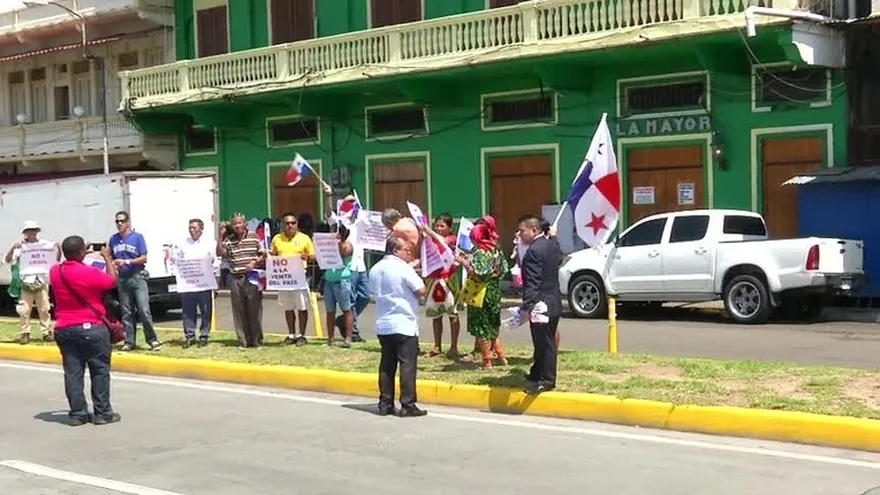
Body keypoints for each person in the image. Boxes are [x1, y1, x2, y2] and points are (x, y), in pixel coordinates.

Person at [50, 235, 121, 426]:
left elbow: (67, 262)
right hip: (91, 327)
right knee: (99, 370)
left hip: (64, 328)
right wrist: (106, 257)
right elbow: (111, 281)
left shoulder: (55, 271)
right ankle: (102, 412)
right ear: (82, 252)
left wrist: (78, 254)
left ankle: (78, 414)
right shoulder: (87, 272)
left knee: (73, 372)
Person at [369, 236, 428, 418]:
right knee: (407, 364)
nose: (408, 254)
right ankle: (407, 404)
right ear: (396, 251)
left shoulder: (375, 268)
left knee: (387, 365)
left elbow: (372, 292)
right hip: (403, 322)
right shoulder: (403, 268)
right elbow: (421, 289)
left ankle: (385, 403)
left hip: (384, 323)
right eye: (406, 250)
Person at [518, 215, 563, 394]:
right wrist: (553, 237)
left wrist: (527, 306)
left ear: (534, 230)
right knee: (541, 341)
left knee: (545, 342)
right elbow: (559, 258)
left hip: (541, 304)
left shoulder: (533, 251)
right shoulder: (551, 244)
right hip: (552, 301)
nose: (520, 235)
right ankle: (537, 372)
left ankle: (547, 379)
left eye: (522, 231)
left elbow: (533, 283)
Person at [459, 215, 509, 370]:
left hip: (481, 291)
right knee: (493, 325)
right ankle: (500, 356)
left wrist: (465, 263)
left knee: (481, 326)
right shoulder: (496, 250)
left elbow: (479, 274)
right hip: (494, 290)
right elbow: (505, 269)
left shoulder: (480, 252)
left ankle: (487, 360)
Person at [106, 211, 160, 352]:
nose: (119, 224)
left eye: (122, 221)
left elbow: (144, 258)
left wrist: (127, 261)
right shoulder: (113, 239)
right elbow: (111, 256)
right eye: (117, 221)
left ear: (128, 222)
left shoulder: (137, 237)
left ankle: (152, 339)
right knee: (126, 312)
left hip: (137, 277)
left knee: (143, 309)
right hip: (123, 279)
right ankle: (129, 341)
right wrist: (114, 264)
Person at [5, 221, 59, 345]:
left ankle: (46, 332)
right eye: (29, 230)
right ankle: (25, 333)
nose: (32, 232)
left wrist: (57, 247)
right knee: (24, 309)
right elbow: (8, 260)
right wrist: (13, 248)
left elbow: (54, 259)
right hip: (26, 282)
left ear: (37, 231)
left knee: (44, 308)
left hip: (41, 280)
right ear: (25, 233)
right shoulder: (21, 248)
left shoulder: (44, 245)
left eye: (33, 230)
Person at [325, 188, 368, 343]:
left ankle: (344, 320)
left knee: (364, 297)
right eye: (348, 202)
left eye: (353, 201)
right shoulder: (339, 222)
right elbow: (329, 213)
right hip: (348, 268)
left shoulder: (361, 221)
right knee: (349, 300)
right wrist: (329, 196)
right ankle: (353, 332)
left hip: (361, 265)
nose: (351, 204)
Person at [218, 213, 265, 348]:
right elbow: (220, 253)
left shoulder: (254, 236)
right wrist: (221, 236)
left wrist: (254, 262)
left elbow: (263, 253)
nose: (237, 225)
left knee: (254, 309)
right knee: (239, 310)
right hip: (236, 278)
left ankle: (256, 340)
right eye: (235, 223)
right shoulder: (229, 240)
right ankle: (243, 340)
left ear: (245, 224)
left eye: (240, 223)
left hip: (252, 277)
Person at [270, 212, 315, 346]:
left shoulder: (305, 238)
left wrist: (307, 257)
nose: (290, 226)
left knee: (302, 307)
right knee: (288, 307)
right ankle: (291, 334)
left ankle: (302, 335)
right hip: (284, 279)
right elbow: (273, 255)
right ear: (283, 225)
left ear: (297, 224)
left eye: (293, 223)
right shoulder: (277, 239)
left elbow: (313, 256)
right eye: (287, 223)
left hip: (300, 277)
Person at [420, 213, 461, 358]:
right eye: (436, 225)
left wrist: (430, 233)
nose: (438, 228)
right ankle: (437, 346)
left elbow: (445, 244)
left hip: (447, 280)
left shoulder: (452, 239)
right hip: (433, 280)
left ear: (449, 228)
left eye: (442, 226)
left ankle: (454, 347)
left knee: (452, 314)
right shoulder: (430, 239)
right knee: (436, 315)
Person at [176, 218, 216, 348]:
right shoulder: (183, 243)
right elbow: (178, 260)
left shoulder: (210, 243)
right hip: (188, 283)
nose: (192, 230)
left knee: (205, 310)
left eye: (194, 227)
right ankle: (190, 336)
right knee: (188, 311)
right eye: (190, 227)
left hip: (204, 283)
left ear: (201, 229)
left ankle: (204, 335)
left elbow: (216, 261)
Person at [324, 224, 354, 348]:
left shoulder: (347, 245)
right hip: (329, 281)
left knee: (346, 309)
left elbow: (343, 253)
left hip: (342, 281)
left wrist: (338, 241)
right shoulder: (328, 246)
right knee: (330, 311)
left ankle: (348, 338)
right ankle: (330, 338)